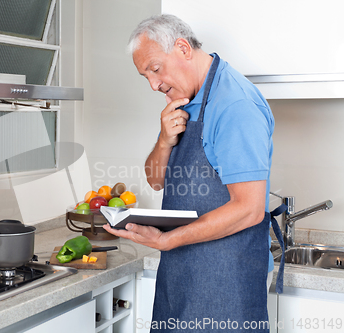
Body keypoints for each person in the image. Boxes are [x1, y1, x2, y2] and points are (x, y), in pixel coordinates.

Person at [103, 14, 283, 332]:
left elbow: (250, 209)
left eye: (155, 70)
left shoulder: (234, 106)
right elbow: (156, 179)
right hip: (181, 272)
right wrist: (163, 140)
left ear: (183, 49)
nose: (153, 85)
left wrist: (170, 239)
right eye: (145, 76)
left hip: (227, 285)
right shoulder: (186, 101)